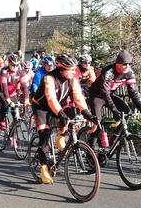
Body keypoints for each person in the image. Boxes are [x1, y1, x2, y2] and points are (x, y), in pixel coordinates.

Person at [31, 55, 96, 184]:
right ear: (62, 69)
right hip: (41, 107)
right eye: (71, 70)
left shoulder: (72, 79)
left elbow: (78, 97)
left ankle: (61, 136)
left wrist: (87, 114)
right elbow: (51, 99)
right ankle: (43, 168)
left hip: (58, 105)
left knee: (72, 114)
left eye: (74, 69)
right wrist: (60, 113)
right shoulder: (49, 78)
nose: (74, 72)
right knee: (44, 135)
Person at [87, 51, 141, 152]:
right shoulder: (108, 72)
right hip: (97, 96)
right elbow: (105, 94)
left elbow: (133, 92)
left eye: (130, 64)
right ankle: (90, 149)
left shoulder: (129, 73)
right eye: (124, 64)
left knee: (127, 113)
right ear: (117, 64)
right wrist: (114, 110)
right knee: (97, 122)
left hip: (110, 95)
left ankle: (114, 139)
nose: (127, 66)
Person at [0, 53, 29, 131]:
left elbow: (24, 86)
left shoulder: (20, 72)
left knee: (16, 115)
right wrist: (8, 99)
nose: (15, 67)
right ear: (9, 63)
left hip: (12, 93)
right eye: (13, 65)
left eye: (17, 65)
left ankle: (12, 137)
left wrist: (27, 98)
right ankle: (2, 121)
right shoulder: (4, 72)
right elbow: (4, 88)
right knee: (5, 104)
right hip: (1, 92)